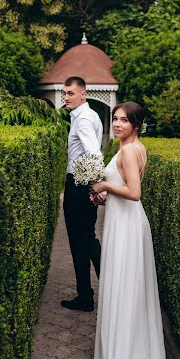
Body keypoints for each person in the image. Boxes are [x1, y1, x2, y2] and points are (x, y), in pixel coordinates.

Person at [91, 102, 180, 359]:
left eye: (124, 120)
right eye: (114, 119)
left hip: (129, 227)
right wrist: (104, 198)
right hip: (121, 223)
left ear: (136, 124)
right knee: (122, 290)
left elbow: (134, 192)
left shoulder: (130, 152)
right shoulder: (129, 148)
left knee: (126, 292)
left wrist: (104, 187)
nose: (117, 124)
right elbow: (122, 191)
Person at [61, 76, 103, 312]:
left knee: (82, 241)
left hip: (79, 185)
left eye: (70, 93)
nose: (66, 97)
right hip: (83, 183)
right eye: (65, 93)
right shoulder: (90, 115)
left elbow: (93, 153)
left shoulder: (84, 119)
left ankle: (89, 295)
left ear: (83, 94)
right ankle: (88, 294)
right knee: (86, 238)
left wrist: (95, 185)